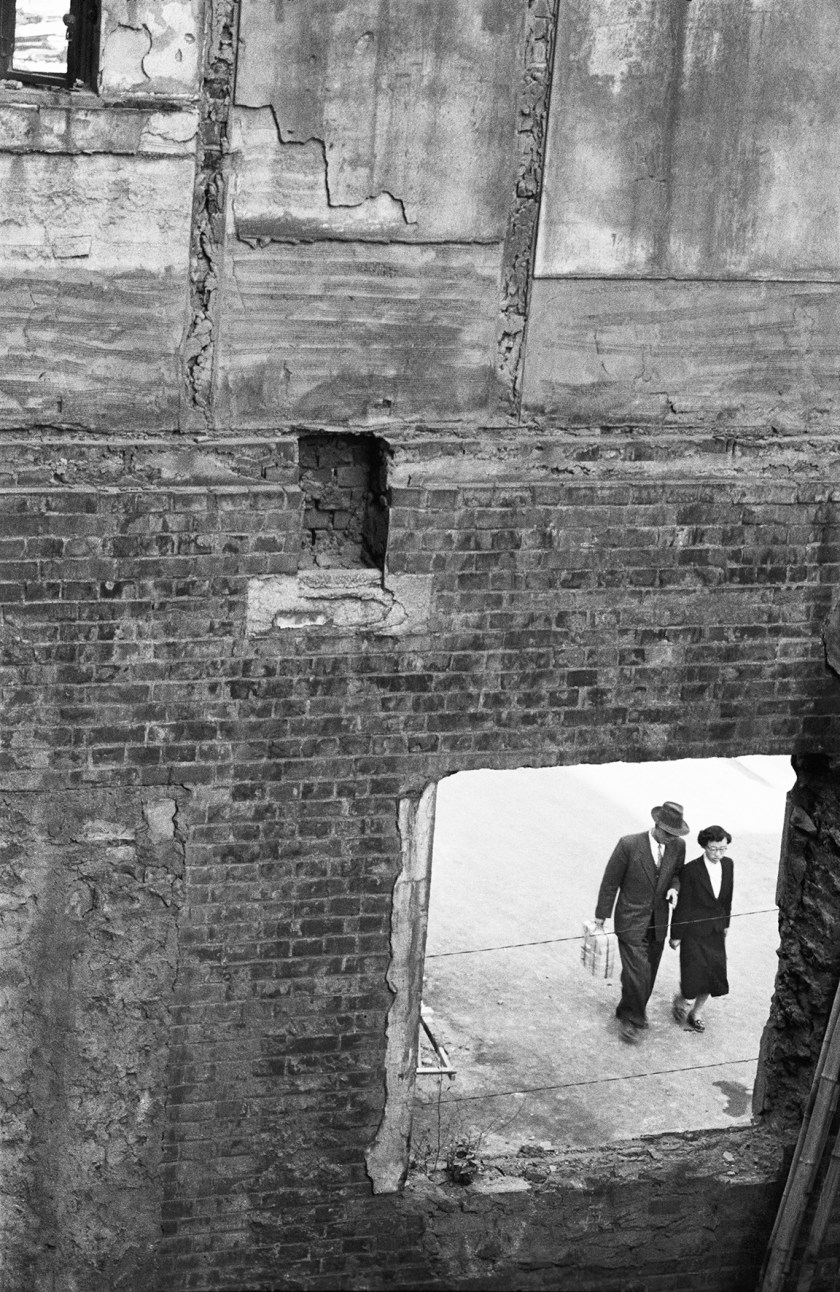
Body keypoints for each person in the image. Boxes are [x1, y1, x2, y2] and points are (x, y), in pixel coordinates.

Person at [594, 801, 688, 1045]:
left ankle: (626, 1009)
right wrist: (601, 915)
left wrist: (674, 889)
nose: (670, 838)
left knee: (649, 971)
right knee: (639, 971)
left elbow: (677, 874)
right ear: (656, 825)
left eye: (675, 834)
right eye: (668, 833)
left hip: (658, 920)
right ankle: (634, 1021)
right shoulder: (629, 845)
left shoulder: (678, 846)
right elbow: (610, 881)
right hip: (630, 919)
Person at [669, 825, 734, 1033]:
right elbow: (683, 905)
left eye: (723, 849)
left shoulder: (729, 865)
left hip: (715, 931)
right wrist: (676, 934)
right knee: (693, 975)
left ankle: (696, 1013)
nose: (718, 854)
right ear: (704, 846)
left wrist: (726, 924)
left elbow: (727, 898)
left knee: (713, 975)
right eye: (714, 849)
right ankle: (682, 998)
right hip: (693, 932)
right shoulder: (691, 870)